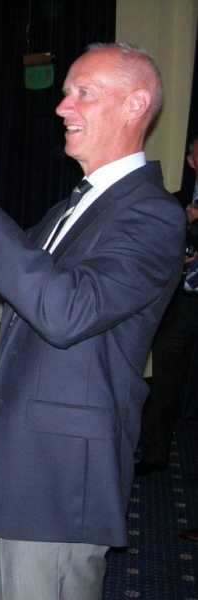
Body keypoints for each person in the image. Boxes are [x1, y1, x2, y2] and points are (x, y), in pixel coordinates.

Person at [0, 43, 184, 599]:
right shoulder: (77, 204)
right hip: (34, 451)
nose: (63, 107)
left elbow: (65, 312)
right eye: (65, 93)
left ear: (135, 105)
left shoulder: (151, 212)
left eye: (83, 93)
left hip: (63, 467)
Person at [137, 135, 198, 476]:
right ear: (191, 161)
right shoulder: (173, 202)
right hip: (180, 304)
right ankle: (154, 455)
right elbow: (154, 250)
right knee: (164, 384)